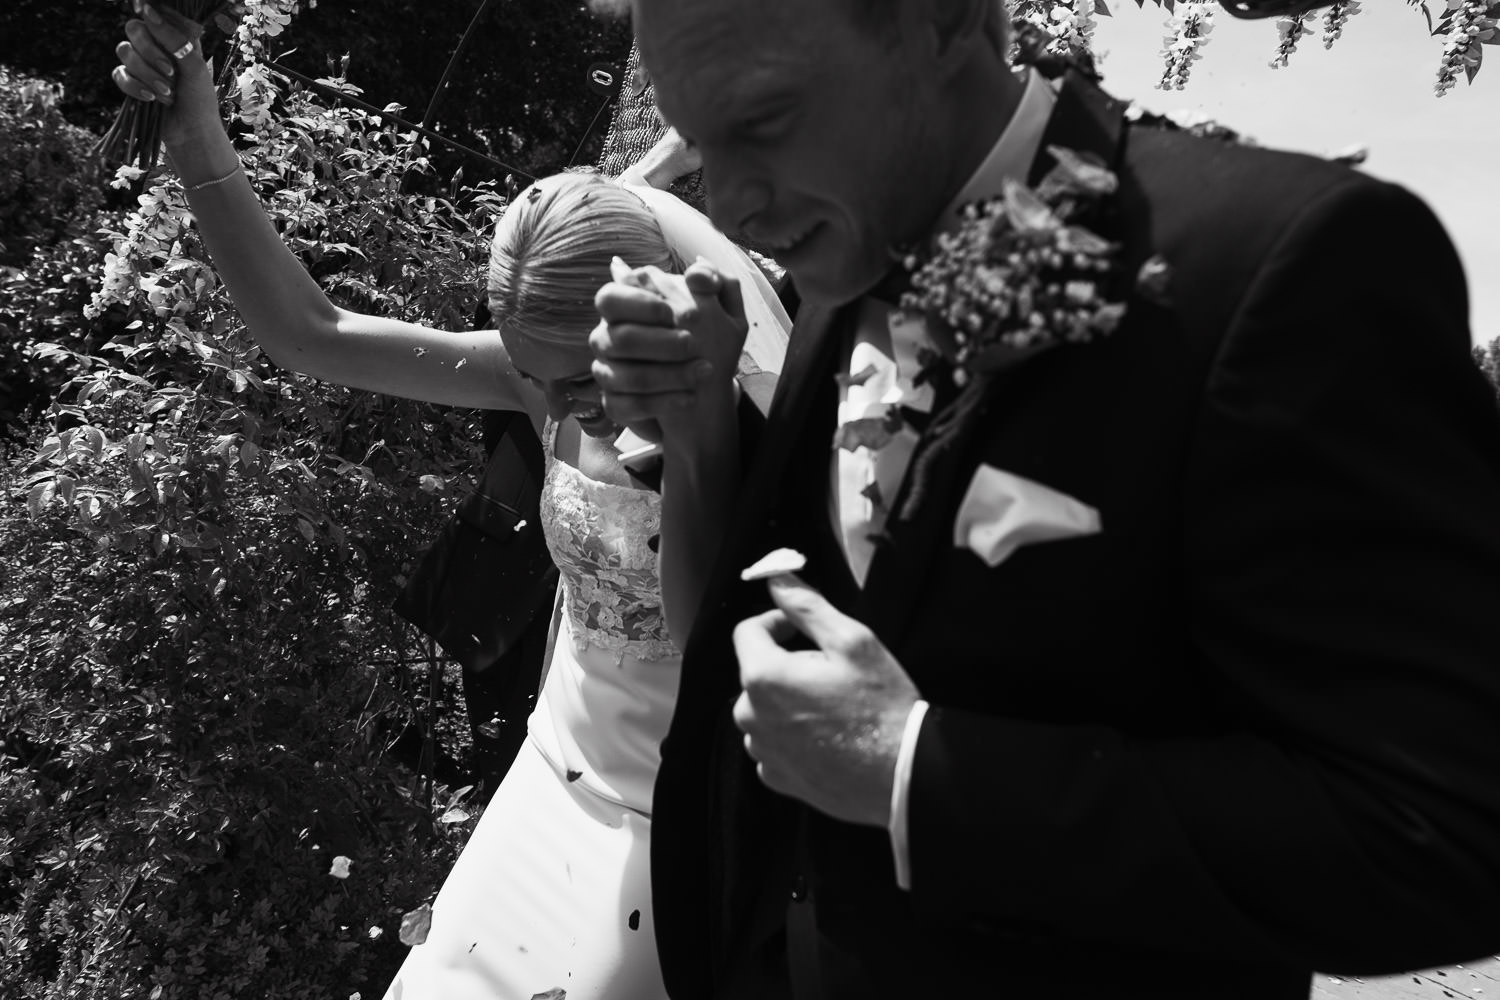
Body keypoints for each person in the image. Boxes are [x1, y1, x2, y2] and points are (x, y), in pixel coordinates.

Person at [590, 0, 1500, 996]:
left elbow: (1444, 832)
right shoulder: (848, 246)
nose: (724, 204)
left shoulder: (1281, 268)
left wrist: (921, 771)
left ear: (944, 21)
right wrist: (701, 427)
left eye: (762, 121)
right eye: (699, 141)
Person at [110, 8, 789, 999]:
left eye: (581, 384)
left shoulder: (747, 414)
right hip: (544, 775)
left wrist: (701, 442)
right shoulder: (541, 380)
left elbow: (710, 647)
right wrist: (196, 137)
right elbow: (315, 334)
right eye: (530, 375)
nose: (554, 409)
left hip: (669, 820)